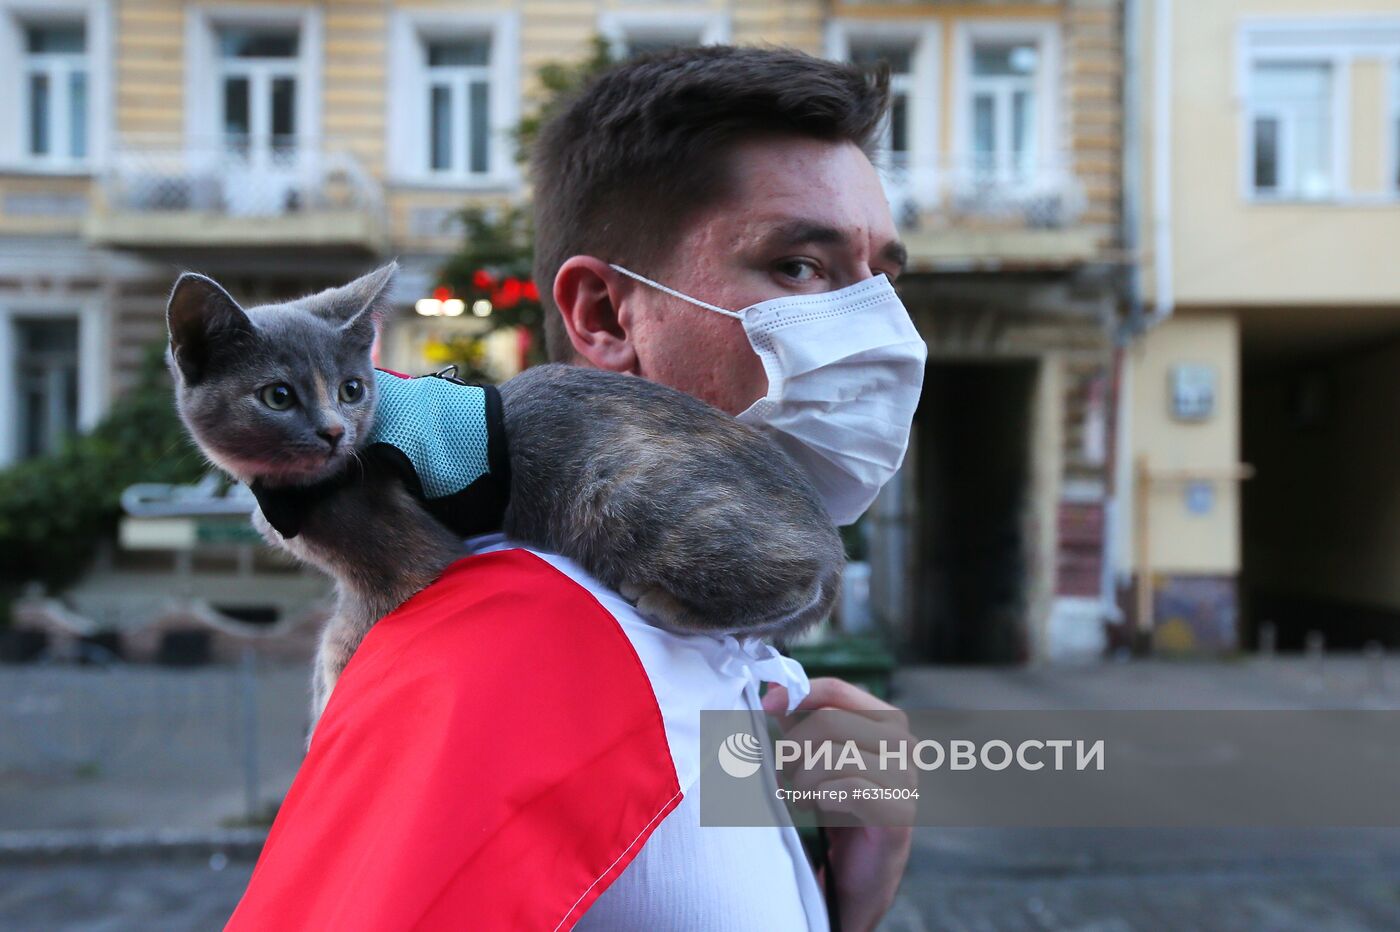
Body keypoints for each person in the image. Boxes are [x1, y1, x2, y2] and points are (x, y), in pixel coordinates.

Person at [227, 45, 920, 931]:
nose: (877, 333)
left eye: (884, 281)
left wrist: (850, 892)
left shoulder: (700, 627)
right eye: (798, 267)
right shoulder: (500, 661)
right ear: (603, 316)